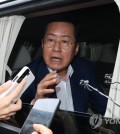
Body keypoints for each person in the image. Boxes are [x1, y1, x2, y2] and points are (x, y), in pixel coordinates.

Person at [21, 20, 107, 115]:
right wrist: (35, 104)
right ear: (42, 44)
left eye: (65, 41)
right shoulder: (26, 77)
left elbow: (104, 106)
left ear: (76, 49)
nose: (56, 48)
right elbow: (14, 119)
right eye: (50, 40)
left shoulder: (85, 68)